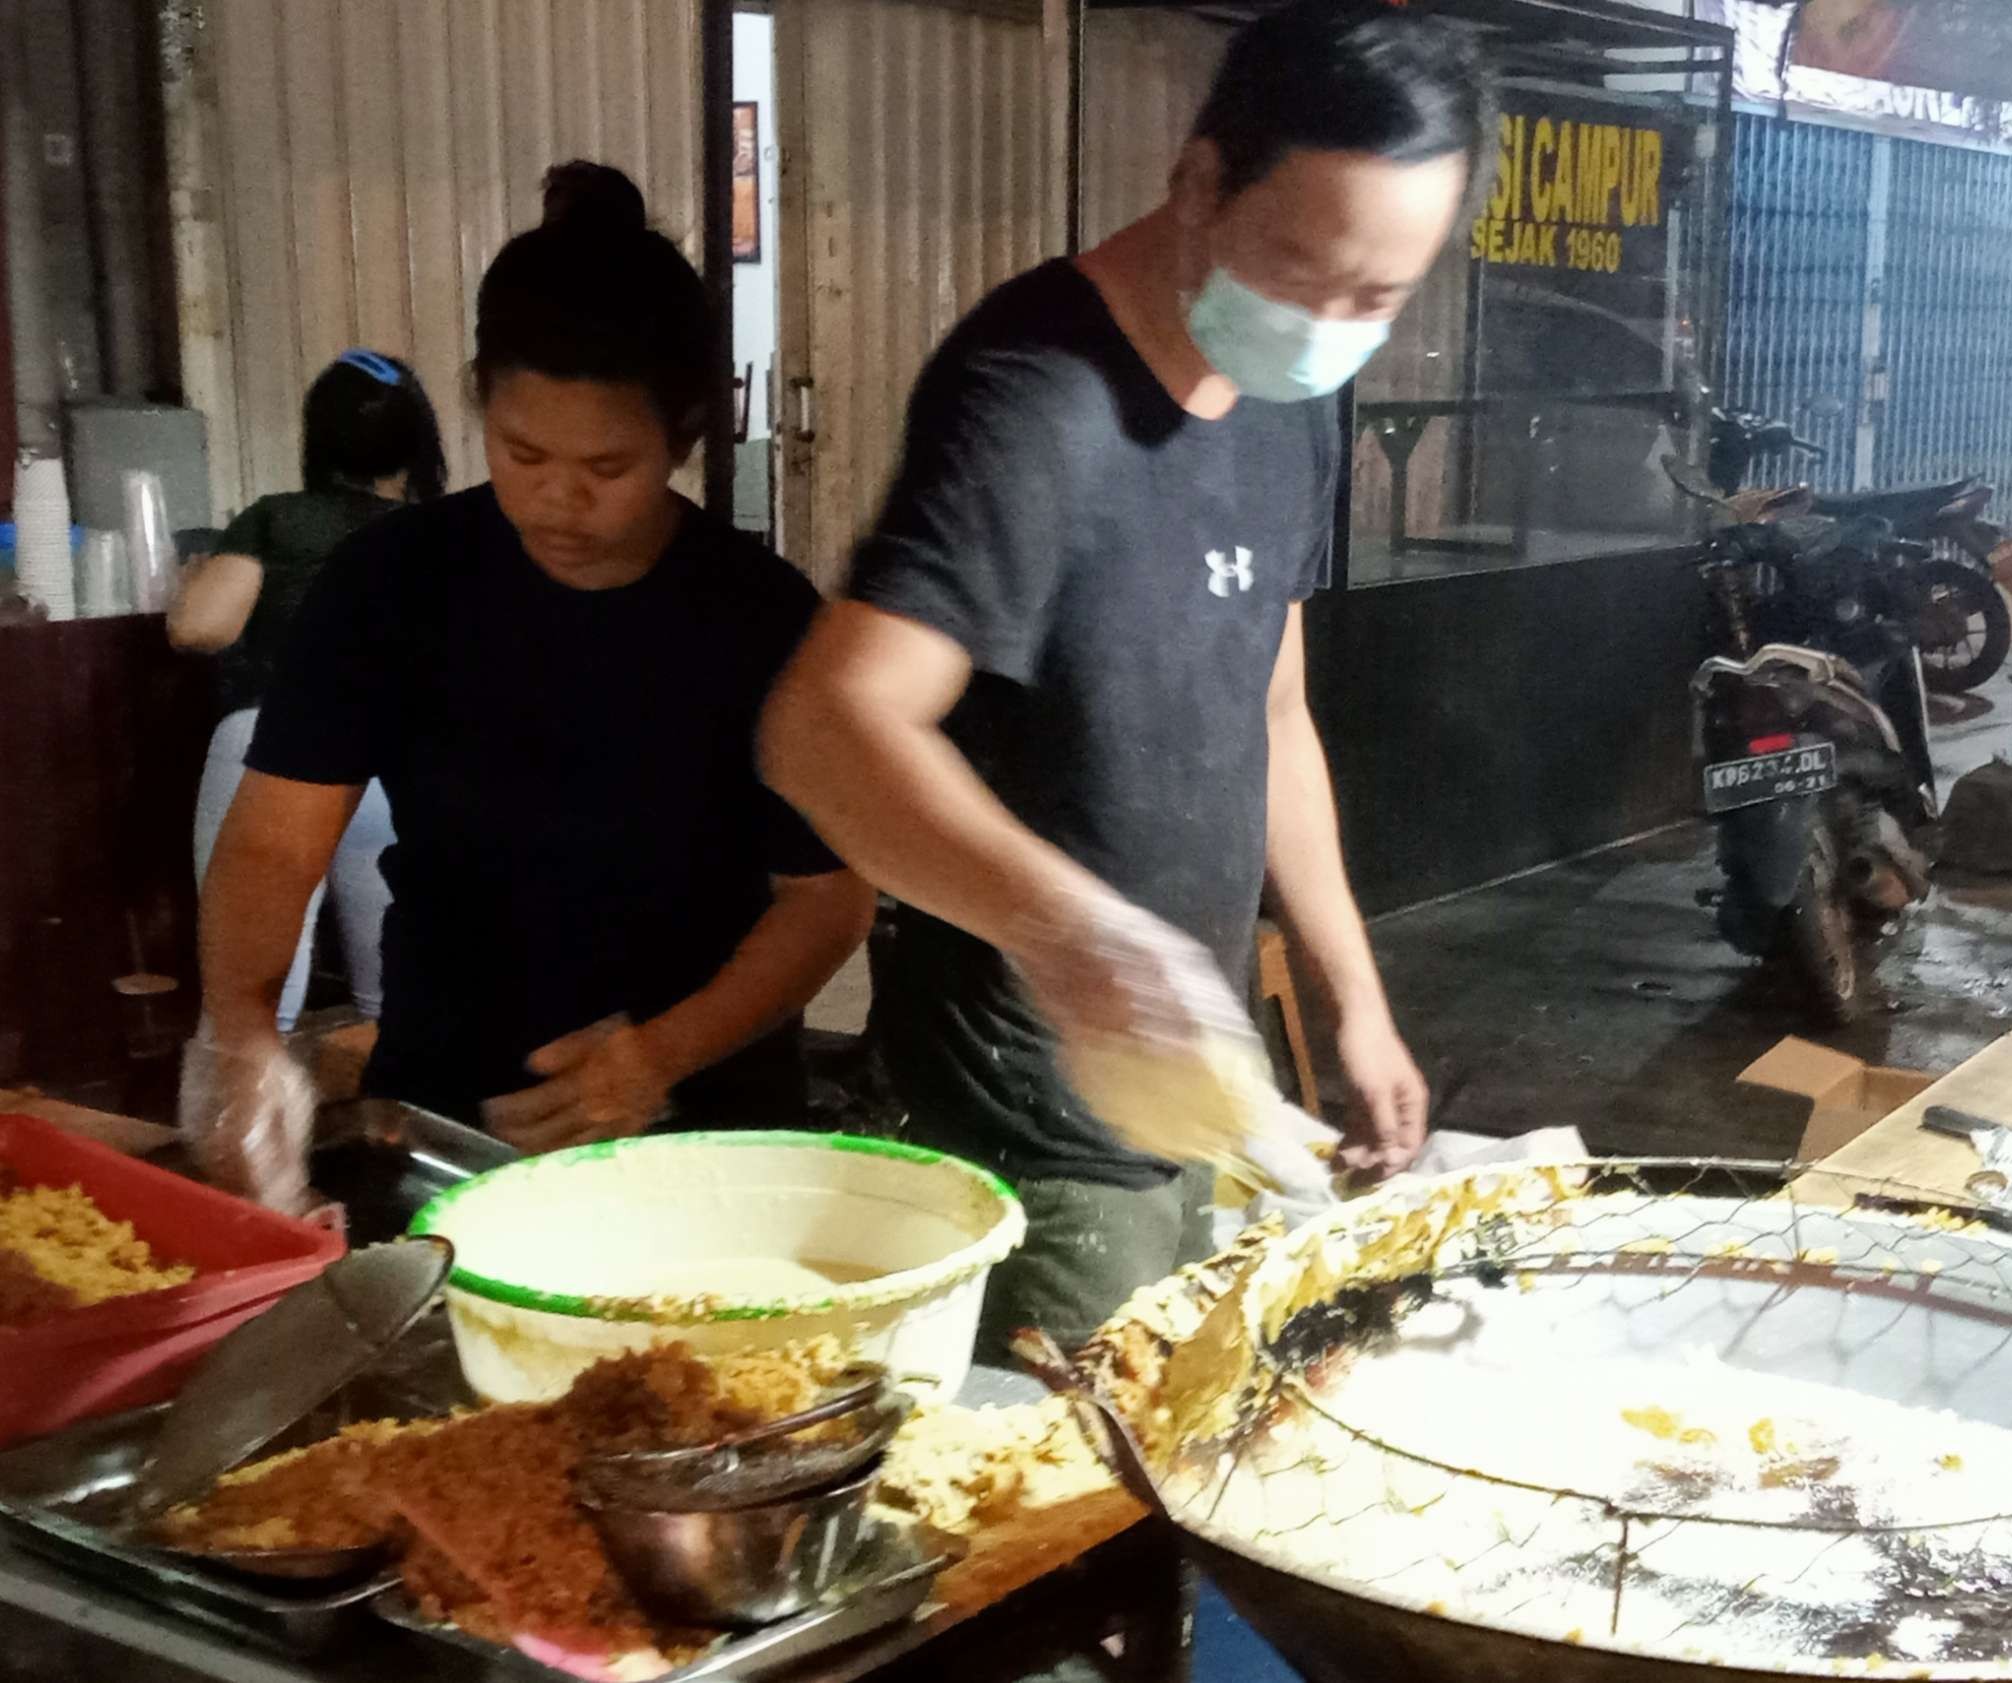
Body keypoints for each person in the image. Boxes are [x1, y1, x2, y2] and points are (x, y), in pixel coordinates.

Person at [761, 0, 1486, 1356]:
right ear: (1198, 179)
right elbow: (825, 725)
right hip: (1028, 1112)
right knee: (1085, 1504)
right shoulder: (1033, 397)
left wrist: (1358, 1000)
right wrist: (1074, 935)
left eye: (1377, 300)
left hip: (1198, 1092)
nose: (1327, 327)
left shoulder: (1292, 393)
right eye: (1301, 269)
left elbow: (1273, 712)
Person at [197, 163, 875, 1187]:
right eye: (521, 453)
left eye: (607, 470)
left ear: (686, 436)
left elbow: (826, 902)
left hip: (705, 1131)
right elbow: (271, 850)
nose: (558, 501)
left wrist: (656, 1058)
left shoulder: (758, 614)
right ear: (476, 403)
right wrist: (243, 1036)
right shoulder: (391, 583)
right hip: (448, 1121)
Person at [174, 350, 444, 1032]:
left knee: (251, 1018)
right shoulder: (440, 535)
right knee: (395, 1010)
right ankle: (388, 1133)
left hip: (267, 752)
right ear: (418, 443)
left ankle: (244, 1139)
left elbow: (200, 626)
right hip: (401, 767)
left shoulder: (277, 520)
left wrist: (197, 576)